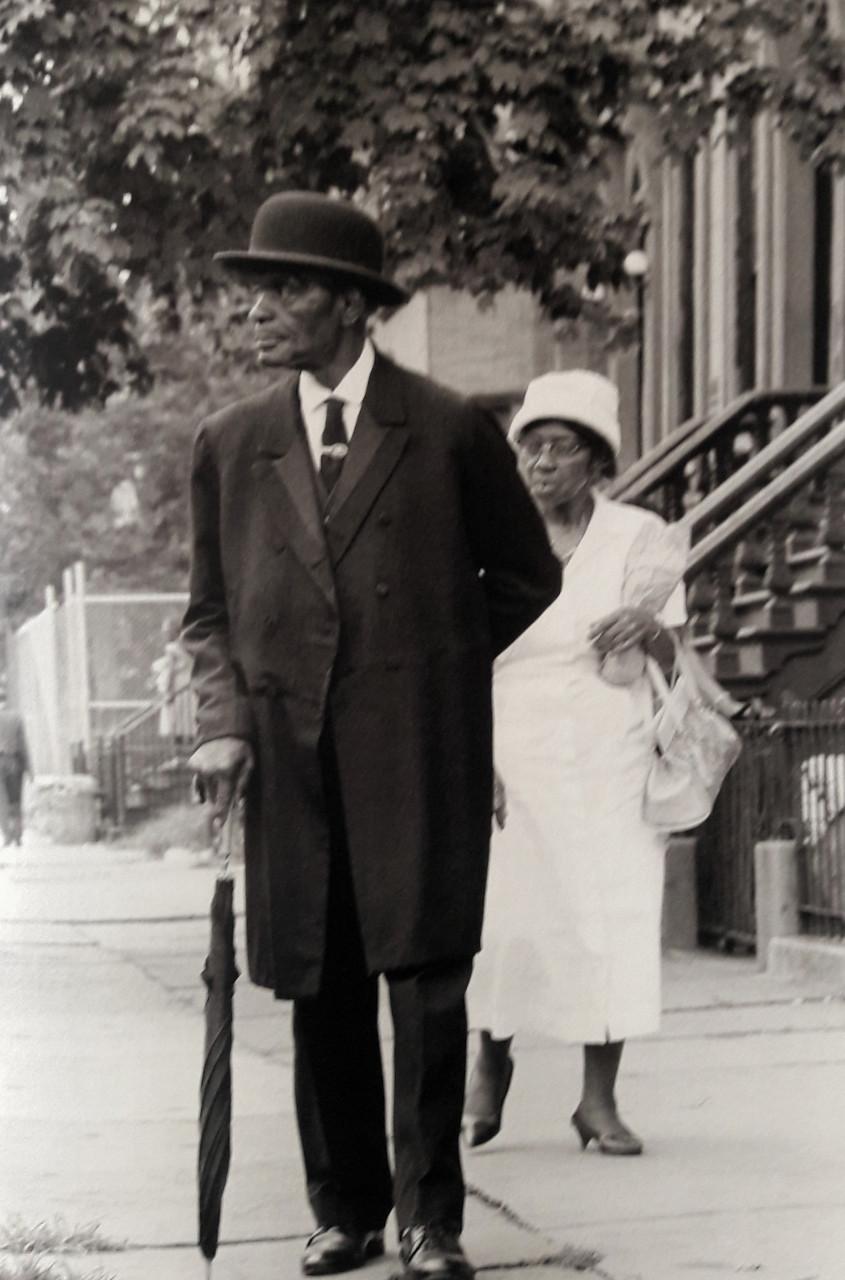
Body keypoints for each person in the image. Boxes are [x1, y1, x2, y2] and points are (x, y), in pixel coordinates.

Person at [182, 191, 561, 1280]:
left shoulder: (446, 427)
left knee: (428, 986)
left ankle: (431, 1220)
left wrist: (430, 664)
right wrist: (222, 724)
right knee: (321, 986)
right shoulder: (230, 443)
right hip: (291, 764)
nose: (259, 311)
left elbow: (527, 578)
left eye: (286, 290)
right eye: (256, 292)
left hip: (419, 755)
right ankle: (343, 1210)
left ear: (351, 305)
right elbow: (207, 614)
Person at [464, 370, 686, 1158]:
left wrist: (645, 628)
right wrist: (473, 756)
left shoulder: (639, 535)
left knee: (612, 914)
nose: (542, 462)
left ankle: (597, 1100)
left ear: (596, 460)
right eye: (531, 447)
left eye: (561, 447)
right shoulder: (485, 531)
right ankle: (491, 1059)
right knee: (503, 914)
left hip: (608, 743)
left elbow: (675, 652)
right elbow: (458, 650)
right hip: (510, 737)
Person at [150, 617, 194, 742]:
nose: (164, 634)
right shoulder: (188, 645)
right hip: (188, 686)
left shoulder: (172, 648)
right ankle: (188, 744)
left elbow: (170, 672)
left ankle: (179, 746)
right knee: (187, 721)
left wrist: (168, 691)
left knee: (176, 720)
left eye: (166, 631)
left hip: (178, 686)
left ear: (175, 632)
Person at [0, 687, 32, 847]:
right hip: (14, 763)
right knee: (16, 800)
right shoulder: (16, 717)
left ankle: (7, 835)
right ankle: (18, 835)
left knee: (2, 801)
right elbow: (23, 745)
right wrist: (29, 768)